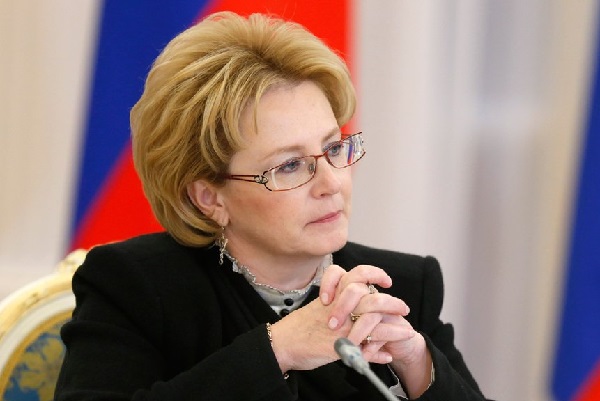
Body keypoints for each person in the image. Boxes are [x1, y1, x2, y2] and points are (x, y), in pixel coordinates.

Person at [55, 11, 491, 401]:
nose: (331, 183)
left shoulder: (402, 286)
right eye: (289, 166)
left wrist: (417, 364)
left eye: (333, 148)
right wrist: (279, 349)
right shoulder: (137, 286)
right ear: (209, 197)